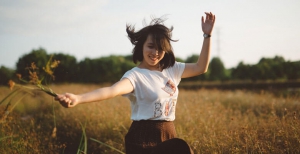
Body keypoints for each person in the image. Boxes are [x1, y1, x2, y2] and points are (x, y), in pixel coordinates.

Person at [55, 12, 215, 154]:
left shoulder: (172, 69)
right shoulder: (135, 76)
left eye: (160, 49)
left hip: (168, 133)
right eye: (151, 47)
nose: (155, 53)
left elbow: (201, 67)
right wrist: (79, 98)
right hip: (143, 137)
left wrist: (207, 36)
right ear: (142, 46)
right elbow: (111, 91)